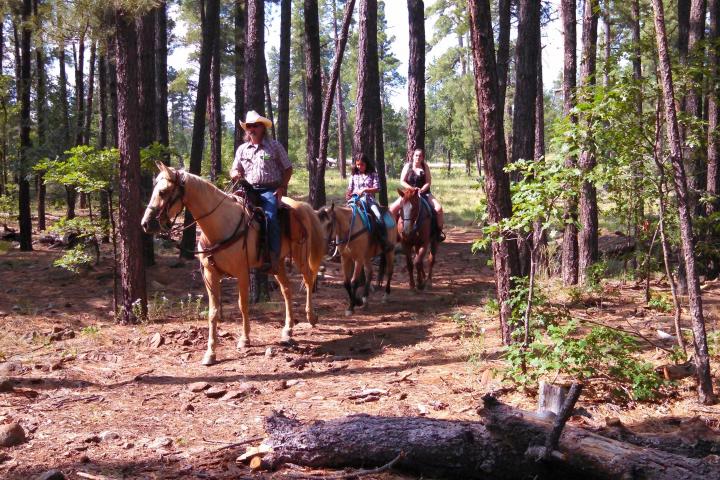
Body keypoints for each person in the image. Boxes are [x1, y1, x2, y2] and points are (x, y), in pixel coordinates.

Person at [230, 110, 293, 273]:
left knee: (270, 217)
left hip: (269, 190)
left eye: (255, 125)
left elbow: (288, 169)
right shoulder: (242, 149)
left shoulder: (274, 146)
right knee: (231, 214)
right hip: (247, 189)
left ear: (263, 128)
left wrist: (281, 187)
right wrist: (235, 174)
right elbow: (234, 169)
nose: (252, 128)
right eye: (249, 126)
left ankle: (273, 258)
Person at [389, 148, 445, 241]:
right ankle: (393, 232)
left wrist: (422, 189)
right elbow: (402, 181)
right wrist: (412, 188)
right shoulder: (408, 166)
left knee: (439, 208)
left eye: (420, 156)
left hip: (424, 193)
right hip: (409, 194)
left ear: (423, 157)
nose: (418, 157)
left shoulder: (425, 166)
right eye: (416, 155)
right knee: (392, 209)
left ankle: (438, 233)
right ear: (413, 156)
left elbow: (428, 181)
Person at [346, 153, 393, 252]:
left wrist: (365, 190)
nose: (359, 167)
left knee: (379, 217)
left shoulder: (373, 174)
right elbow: (350, 189)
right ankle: (341, 243)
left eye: (362, 164)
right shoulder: (354, 175)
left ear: (366, 164)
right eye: (358, 165)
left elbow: (377, 188)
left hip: (369, 201)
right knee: (342, 216)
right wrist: (348, 195)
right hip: (355, 200)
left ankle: (383, 240)